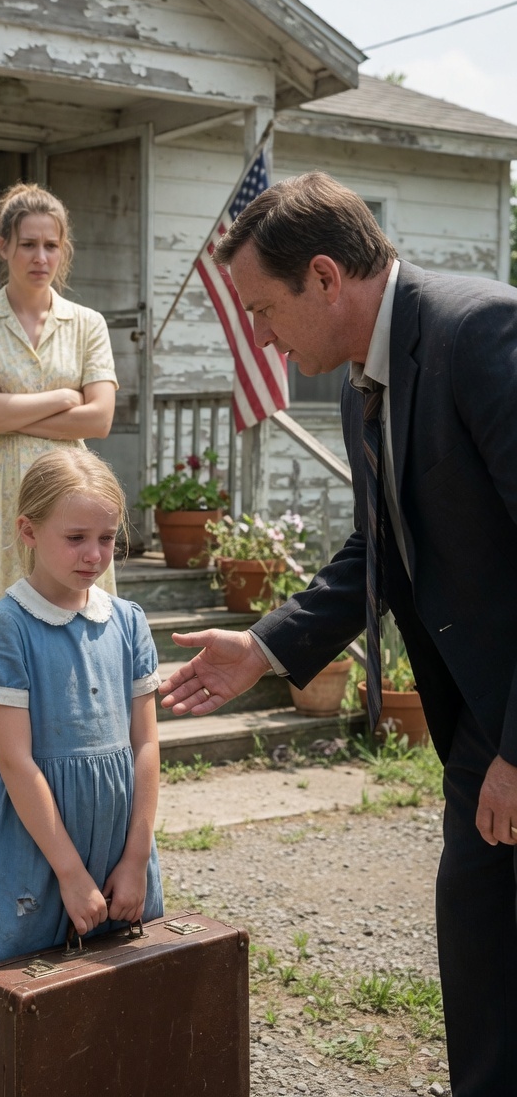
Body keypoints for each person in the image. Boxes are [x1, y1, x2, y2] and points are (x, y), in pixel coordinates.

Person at [159, 171, 517, 1096]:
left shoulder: (480, 333)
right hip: (483, 720)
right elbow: (380, 546)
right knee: (481, 964)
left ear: (325, 276)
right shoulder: (370, 372)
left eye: (265, 311)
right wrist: (268, 647)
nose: (262, 336)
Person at [0, 449, 163, 1003]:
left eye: (107, 538)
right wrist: (68, 872)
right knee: (25, 991)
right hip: (35, 842)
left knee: (125, 991)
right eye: (76, 538)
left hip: (118, 838)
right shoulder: (5, 628)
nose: (94, 555)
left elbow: (145, 743)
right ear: (29, 530)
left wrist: (136, 856)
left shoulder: (129, 623)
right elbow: (13, 760)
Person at [0, 183, 118, 783]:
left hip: (71, 495)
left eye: (51, 245)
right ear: (4, 245)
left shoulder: (86, 324)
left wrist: (14, 402)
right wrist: (64, 396)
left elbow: (101, 418)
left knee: (68, 638)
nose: (40, 256)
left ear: (63, 252)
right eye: (28, 243)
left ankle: (64, 795)